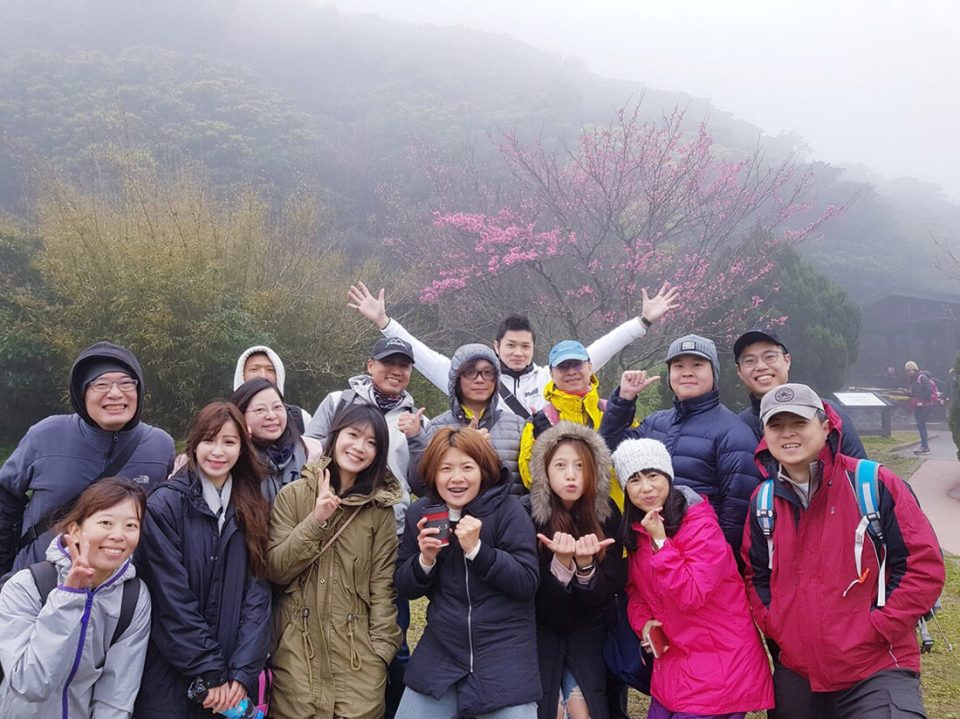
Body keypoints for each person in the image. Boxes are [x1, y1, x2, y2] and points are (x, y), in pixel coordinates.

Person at [742, 384, 945, 718]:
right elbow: (757, 576)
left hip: (876, 666)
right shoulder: (762, 502)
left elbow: (922, 566)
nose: (787, 433)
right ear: (765, 435)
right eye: (776, 425)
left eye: (799, 422)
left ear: (825, 427)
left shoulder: (873, 483)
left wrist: (879, 628)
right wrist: (778, 626)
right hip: (799, 669)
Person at [347, 280, 680, 418]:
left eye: (525, 346)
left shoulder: (551, 377)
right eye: (510, 345)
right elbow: (422, 355)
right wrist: (384, 322)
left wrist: (643, 321)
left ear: (534, 348)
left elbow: (599, 349)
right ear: (496, 346)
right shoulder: (473, 380)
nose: (518, 352)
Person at [305, 335, 422, 717]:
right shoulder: (338, 402)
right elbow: (310, 451)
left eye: (403, 365)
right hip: (333, 525)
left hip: (391, 532)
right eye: (388, 363)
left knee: (393, 633)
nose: (396, 371)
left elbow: (422, 480)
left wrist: (417, 437)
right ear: (370, 365)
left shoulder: (414, 418)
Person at [614, 438, 773, 719]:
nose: (646, 487)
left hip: (719, 666)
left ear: (668, 476)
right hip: (675, 664)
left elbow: (691, 593)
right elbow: (636, 590)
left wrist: (661, 542)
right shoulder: (639, 530)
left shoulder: (700, 526)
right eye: (635, 480)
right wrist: (644, 624)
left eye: (653, 476)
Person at [135, 401, 272, 719]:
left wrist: (241, 672)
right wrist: (210, 670)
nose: (218, 451)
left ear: (242, 448)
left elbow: (258, 595)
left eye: (229, 441)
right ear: (194, 444)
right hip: (171, 674)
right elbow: (171, 600)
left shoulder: (253, 505)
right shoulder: (165, 505)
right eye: (209, 440)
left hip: (231, 682)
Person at [267, 404, 403, 719]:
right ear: (335, 434)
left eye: (371, 442)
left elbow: (382, 588)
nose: (359, 447)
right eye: (353, 435)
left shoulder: (379, 512)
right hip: (295, 654)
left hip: (358, 661)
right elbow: (275, 569)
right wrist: (316, 521)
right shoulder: (294, 495)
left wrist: (381, 653)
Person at [395, 427, 540, 719]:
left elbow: (527, 581)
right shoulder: (422, 513)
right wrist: (425, 559)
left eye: (467, 467)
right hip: (443, 648)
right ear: (432, 473)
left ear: (483, 470)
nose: (457, 478)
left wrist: (478, 550)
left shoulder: (508, 511)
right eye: (445, 468)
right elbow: (405, 586)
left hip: (504, 651)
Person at [0, 341, 175, 574]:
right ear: (81, 392)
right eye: (101, 384)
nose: (115, 393)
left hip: (118, 587)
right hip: (38, 582)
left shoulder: (160, 446)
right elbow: (5, 498)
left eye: (126, 383)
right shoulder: (46, 434)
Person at [0, 478, 151, 718]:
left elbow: (117, 696)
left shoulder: (133, 596)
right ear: (75, 531)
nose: (118, 535)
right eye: (106, 522)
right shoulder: (26, 586)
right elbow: (30, 684)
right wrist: (68, 599)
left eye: (131, 525)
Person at [600, 335, 761, 554]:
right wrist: (624, 400)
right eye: (678, 366)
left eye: (697, 365)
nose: (687, 372)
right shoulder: (655, 423)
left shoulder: (734, 433)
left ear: (714, 372)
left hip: (701, 556)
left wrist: (713, 560)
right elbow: (608, 450)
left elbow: (736, 514)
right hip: (648, 550)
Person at [526, 422, 624, 719]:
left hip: (588, 631)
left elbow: (605, 595)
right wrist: (560, 564)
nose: (571, 475)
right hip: (537, 631)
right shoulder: (527, 514)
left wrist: (585, 568)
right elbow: (533, 596)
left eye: (580, 466)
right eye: (560, 465)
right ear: (544, 471)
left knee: (584, 709)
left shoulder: (607, 515)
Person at [518, 340, 635, 508]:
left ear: (590, 367)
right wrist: (544, 447)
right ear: (551, 373)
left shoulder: (614, 411)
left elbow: (637, 464)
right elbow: (530, 479)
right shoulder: (540, 420)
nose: (571, 371)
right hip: (566, 515)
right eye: (563, 367)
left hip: (617, 514)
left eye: (577, 364)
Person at [408, 343, 525, 495]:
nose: (480, 379)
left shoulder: (518, 426)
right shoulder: (436, 427)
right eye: (470, 372)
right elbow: (421, 488)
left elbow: (533, 486)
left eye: (488, 373)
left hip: (509, 510)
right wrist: (415, 438)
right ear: (456, 379)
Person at [733, 328, 865, 458]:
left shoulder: (827, 412)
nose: (761, 366)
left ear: (787, 360)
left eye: (769, 357)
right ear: (739, 371)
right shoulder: (738, 427)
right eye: (749, 361)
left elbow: (856, 466)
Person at [230, 378, 319, 504]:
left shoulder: (310, 455)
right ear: (240, 414)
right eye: (260, 410)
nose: (272, 416)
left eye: (277, 407)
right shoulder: (231, 460)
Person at [233, 345, 312, 431]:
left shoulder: (301, 419)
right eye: (254, 369)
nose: (262, 375)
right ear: (241, 375)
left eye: (270, 370)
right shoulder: (228, 419)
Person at [904, 360, 937, 455]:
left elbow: (928, 391)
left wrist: (919, 400)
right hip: (918, 406)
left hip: (925, 405)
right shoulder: (912, 380)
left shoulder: (922, 378)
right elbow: (914, 393)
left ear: (915, 369)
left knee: (921, 424)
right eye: (907, 371)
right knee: (920, 425)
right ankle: (924, 446)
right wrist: (908, 394)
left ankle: (925, 447)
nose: (909, 372)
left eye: (910, 370)